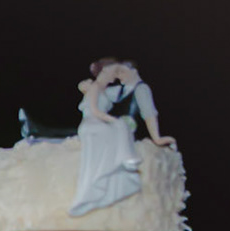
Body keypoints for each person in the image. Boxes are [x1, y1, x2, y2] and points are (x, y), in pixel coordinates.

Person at [70, 58, 175, 217]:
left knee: (120, 129)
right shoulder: (117, 90)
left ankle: (125, 163)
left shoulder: (141, 89)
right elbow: (95, 94)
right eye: (116, 72)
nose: (118, 76)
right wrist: (85, 87)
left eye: (121, 71)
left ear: (133, 71)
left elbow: (149, 114)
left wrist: (157, 138)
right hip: (105, 127)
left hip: (125, 131)